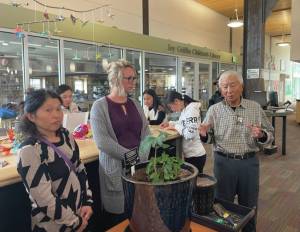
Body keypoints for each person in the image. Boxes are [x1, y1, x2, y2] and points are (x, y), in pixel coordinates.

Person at [199, 70, 274, 232]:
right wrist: (203, 134)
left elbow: (270, 135)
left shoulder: (254, 108)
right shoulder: (214, 110)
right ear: (220, 89)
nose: (228, 90)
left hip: (249, 164)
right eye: (224, 86)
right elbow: (209, 138)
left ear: (241, 87)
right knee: (222, 205)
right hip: (223, 163)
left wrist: (261, 135)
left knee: (249, 205)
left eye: (232, 85)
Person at [17, 89, 93, 231]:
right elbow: (44, 199)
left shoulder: (66, 135)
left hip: (79, 216)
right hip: (53, 226)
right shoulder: (30, 150)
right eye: (48, 110)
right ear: (31, 116)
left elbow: (79, 169)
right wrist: (75, 222)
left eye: (58, 109)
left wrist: (87, 202)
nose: (56, 115)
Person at [90, 59, 150, 229]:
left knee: (138, 212)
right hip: (115, 169)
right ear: (116, 79)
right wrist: (132, 157)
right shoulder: (99, 106)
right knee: (118, 218)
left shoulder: (135, 104)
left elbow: (146, 132)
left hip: (139, 167)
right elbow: (103, 142)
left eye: (134, 78)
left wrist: (142, 155)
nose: (133, 82)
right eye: (128, 78)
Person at [160, 91, 206, 173]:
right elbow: (182, 123)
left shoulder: (192, 110)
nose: (172, 110)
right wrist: (170, 123)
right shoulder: (185, 109)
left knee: (195, 183)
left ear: (176, 101)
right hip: (191, 154)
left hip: (196, 155)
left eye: (171, 107)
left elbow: (189, 134)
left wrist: (175, 127)